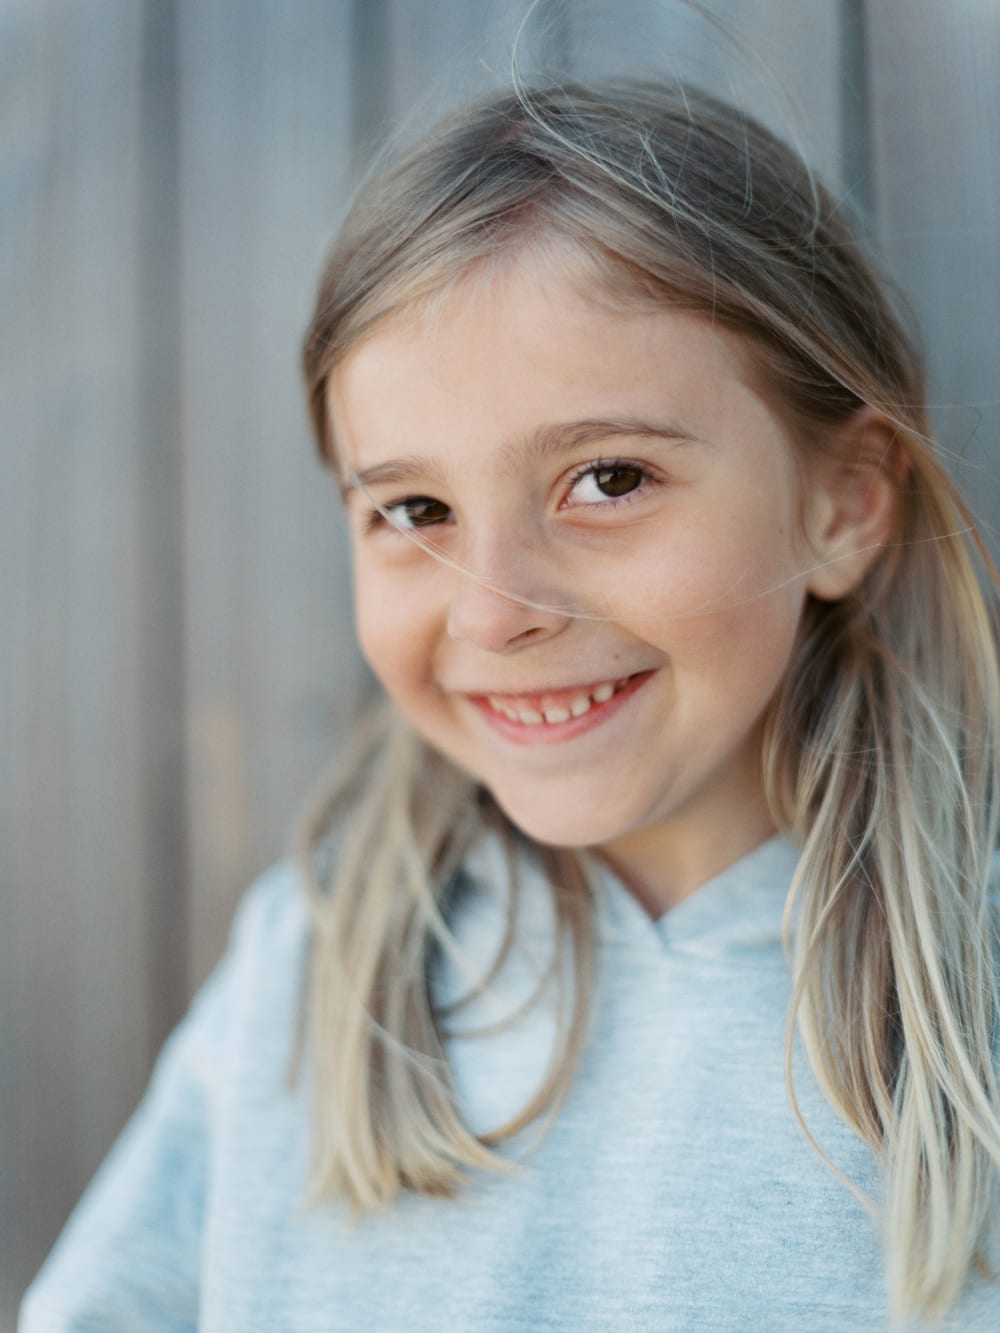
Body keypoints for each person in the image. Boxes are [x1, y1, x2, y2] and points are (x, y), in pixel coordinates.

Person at [21, 77, 1000, 1332]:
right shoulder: (312, 961)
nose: (493, 612)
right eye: (413, 512)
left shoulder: (967, 979)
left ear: (845, 503)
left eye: (607, 479)